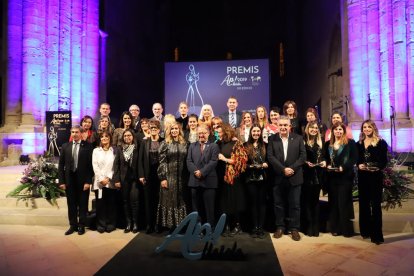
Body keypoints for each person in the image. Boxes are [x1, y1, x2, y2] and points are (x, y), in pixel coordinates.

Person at [267, 116, 306, 241]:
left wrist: (291, 168)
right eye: (281, 125)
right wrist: (283, 169)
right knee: (278, 204)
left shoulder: (298, 138)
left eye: (285, 125)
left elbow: (302, 156)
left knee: (295, 205)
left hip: (295, 176)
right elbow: (270, 157)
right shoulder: (272, 139)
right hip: (278, 177)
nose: (283, 127)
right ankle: (280, 227)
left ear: (290, 126)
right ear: (277, 126)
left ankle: (294, 229)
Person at [357, 120, 388, 245]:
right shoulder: (358, 144)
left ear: (373, 128)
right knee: (363, 205)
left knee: (375, 206)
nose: (367, 129)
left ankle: (377, 236)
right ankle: (365, 231)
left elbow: (383, 161)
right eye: (364, 127)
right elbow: (357, 160)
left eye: (369, 127)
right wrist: (358, 165)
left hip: (375, 177)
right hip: (363, 177)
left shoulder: (381, 143)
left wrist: (376, 167)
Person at [58, 125, 94, 235]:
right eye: (72, 132)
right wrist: (62, 181)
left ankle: (81, 225)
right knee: (71, 204)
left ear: (81, 133)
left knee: (83, 204)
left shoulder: (88, 146)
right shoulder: (65, 146)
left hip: (83, 181)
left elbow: (90, 166)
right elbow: (61, 165)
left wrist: (88, 181)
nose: (74, 134)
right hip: (69, 181)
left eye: (76, 132)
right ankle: (73, 225)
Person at [324, 122, 357, 237]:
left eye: (340, 129)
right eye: (336, 129)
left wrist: (344, 167)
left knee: (343, 203)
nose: (338, 131)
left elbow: (354, 158)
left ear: (344, 131)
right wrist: (327, 165)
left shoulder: (350, 143)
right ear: (332, 131)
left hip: (345, 177)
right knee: (333, 203)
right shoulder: (328, 144)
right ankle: (335, 228)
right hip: (332, 177)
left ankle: (346, 230)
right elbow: (325, 158)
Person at [217, 123, 248, 236]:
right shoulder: (220, 143)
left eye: (220, 132)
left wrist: (225, 159)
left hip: (233, 178)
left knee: (234, 201)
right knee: (224, 202)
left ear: (226, 132)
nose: (218, 134)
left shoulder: (236, 143)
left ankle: (237, 225)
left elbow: (241, 161)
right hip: (222, 177)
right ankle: (226, 225)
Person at [156, 122, 188, 230]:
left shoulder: (184, 143)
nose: (174, 131)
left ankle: (180, 225)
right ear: (169, 131)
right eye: (172, 129)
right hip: (169, 176)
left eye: (176, 129)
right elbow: (162, 162)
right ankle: (170, 226)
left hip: (181, 177)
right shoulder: (165, 143)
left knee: (180, 200)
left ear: (179, 130)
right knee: (169, 200)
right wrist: (163, 178)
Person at [187, 124, 220, 227]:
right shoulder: (192, 145)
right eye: (200, 133)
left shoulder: (214, 146)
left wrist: (202, 172)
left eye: (204, 133)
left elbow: (213, 161)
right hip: (194, 181)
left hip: (209, 181)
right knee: (196, 208)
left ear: (208, 133)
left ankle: (210, 229)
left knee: (209, 208)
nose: (201, 135)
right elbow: (189, 161)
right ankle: (198, 228)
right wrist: (196, 172)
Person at [138, 120, 163, 233]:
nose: (153, 130)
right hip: (148, 175)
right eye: (151, 128)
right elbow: (140, 160)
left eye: (155, 128)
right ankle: (149, 225)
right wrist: (141, 175)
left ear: (159, 129)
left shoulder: (163, 141)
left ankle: (158, 225)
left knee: (159, 201)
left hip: (160, 175)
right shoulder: (145, 142)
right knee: (148, 201)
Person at [302, 121, 326, 237]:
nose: (314, 130)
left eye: (316, 128)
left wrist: (324, 162)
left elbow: (325, 157)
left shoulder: (321, 143)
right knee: (306, 202)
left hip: (317, 175)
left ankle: (315, 227)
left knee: (315, 202)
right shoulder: (302, 141)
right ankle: (308, 226)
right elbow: (299, 158)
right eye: (312, 128)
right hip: (306, 175)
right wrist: (306, 162)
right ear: (307, 129)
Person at [244, 124, 268, 238]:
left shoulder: (265, 145)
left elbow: (269, 161)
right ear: (250, 132)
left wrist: (265, 164)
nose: (256, 133)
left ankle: (261, 228)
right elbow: (243, 164)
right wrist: (252, 166)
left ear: (261, 132)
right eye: (254, 131)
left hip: (263, 179)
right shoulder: (245, 145)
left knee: (262, 203)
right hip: (250, 179)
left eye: (258, 131)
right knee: (253, 203)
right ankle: (254, 227)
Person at [113, 129, 140, 234]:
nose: (127, 137)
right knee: (125, 202)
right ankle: (128, 223)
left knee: (134, 201)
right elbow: (116, 165)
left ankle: (135, 223)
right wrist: (116, 179)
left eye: (129, 135)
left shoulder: (137, 148)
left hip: (135, 179)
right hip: (123, 179)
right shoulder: (120, 149)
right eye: (125, 136)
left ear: (133, 137)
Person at [92, 131, 118, 233]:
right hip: (99, 182)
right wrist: (101, 179)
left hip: (110, 181)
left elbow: (115, 166)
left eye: (106, 136)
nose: (104, 138)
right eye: (102, 137)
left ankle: (111, 224)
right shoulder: (96, 151)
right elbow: (95, 166)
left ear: (110, 138)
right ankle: (101, 224)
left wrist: (108, 178)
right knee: (100, 204)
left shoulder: (114, 150)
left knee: (111, 203)